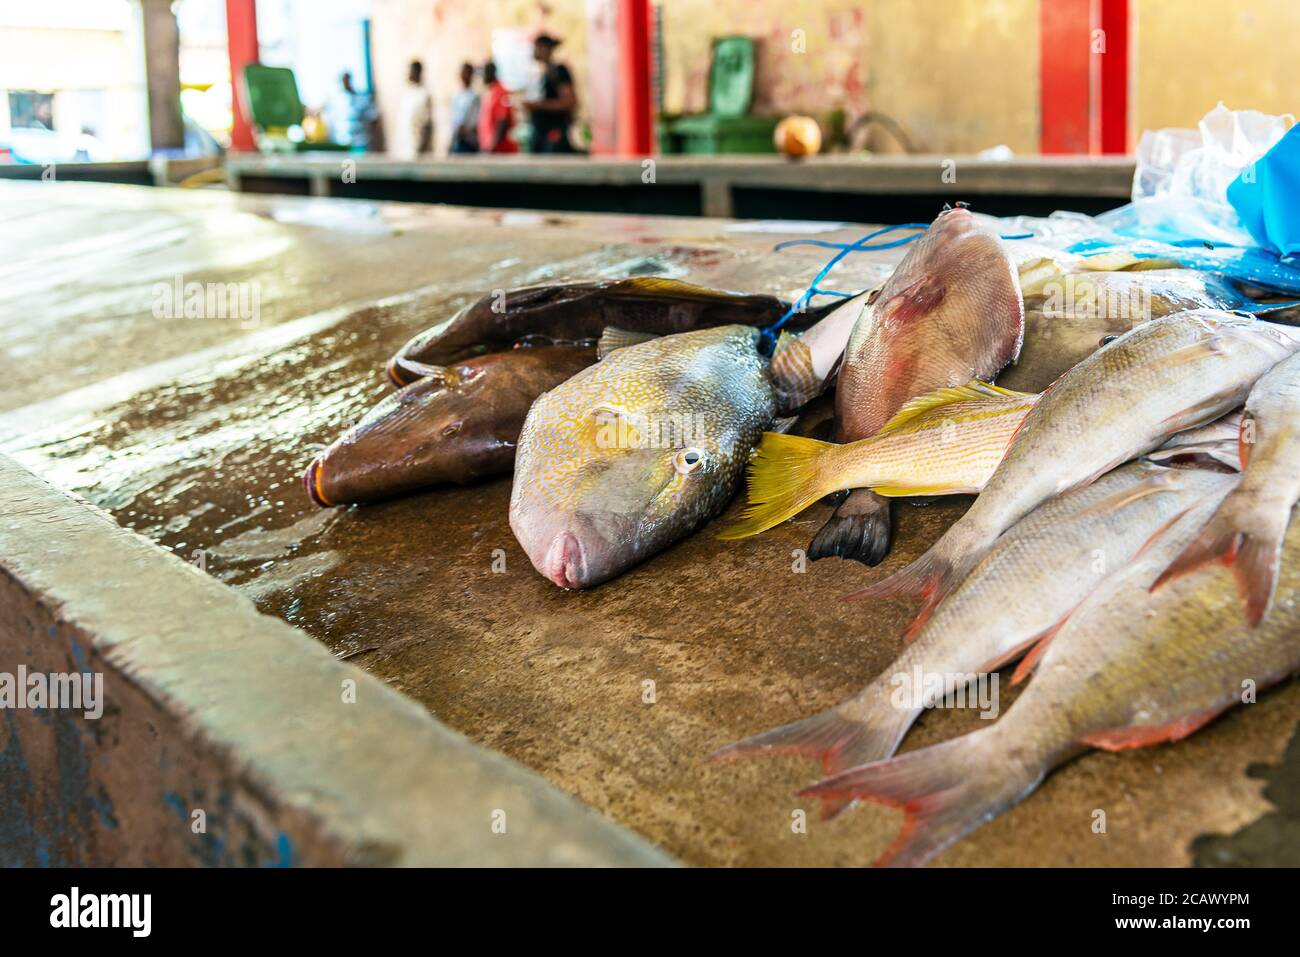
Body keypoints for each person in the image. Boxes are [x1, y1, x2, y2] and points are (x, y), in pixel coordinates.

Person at [523, 33, 577, 154]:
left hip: (553, 131)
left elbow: (569, 102)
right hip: (539, 132)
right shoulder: (542, 73)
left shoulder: (559, 71)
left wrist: (538, 105)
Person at [392, 59, 433, 159]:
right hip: (402, 149)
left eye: (410, 70)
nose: (408, 73)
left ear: (417, 72)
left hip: (416, 150)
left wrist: (421, 150)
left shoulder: (423, 94)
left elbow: (427, 126)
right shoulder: (406, 94)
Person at [477, 62, 517, 154]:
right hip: (488, 147)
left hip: (499, 150)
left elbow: (503, 121)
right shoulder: (490, 92)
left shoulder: (501, 92)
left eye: (483, 72)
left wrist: (493, 146)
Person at [338, 71, 375, 150]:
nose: (345, 84)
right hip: (345, 144)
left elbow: (373, 119)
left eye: (347, 81)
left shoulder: (362, 99)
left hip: (361, 142)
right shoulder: (340, 101)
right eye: (343, 81)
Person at [448, 62, 480, 154]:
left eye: (466, 72)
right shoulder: (456, 95)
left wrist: (465, 131)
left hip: (468, 142)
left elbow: (475, 121)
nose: (463, 75)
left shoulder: (474, 96)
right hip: (456, 139)